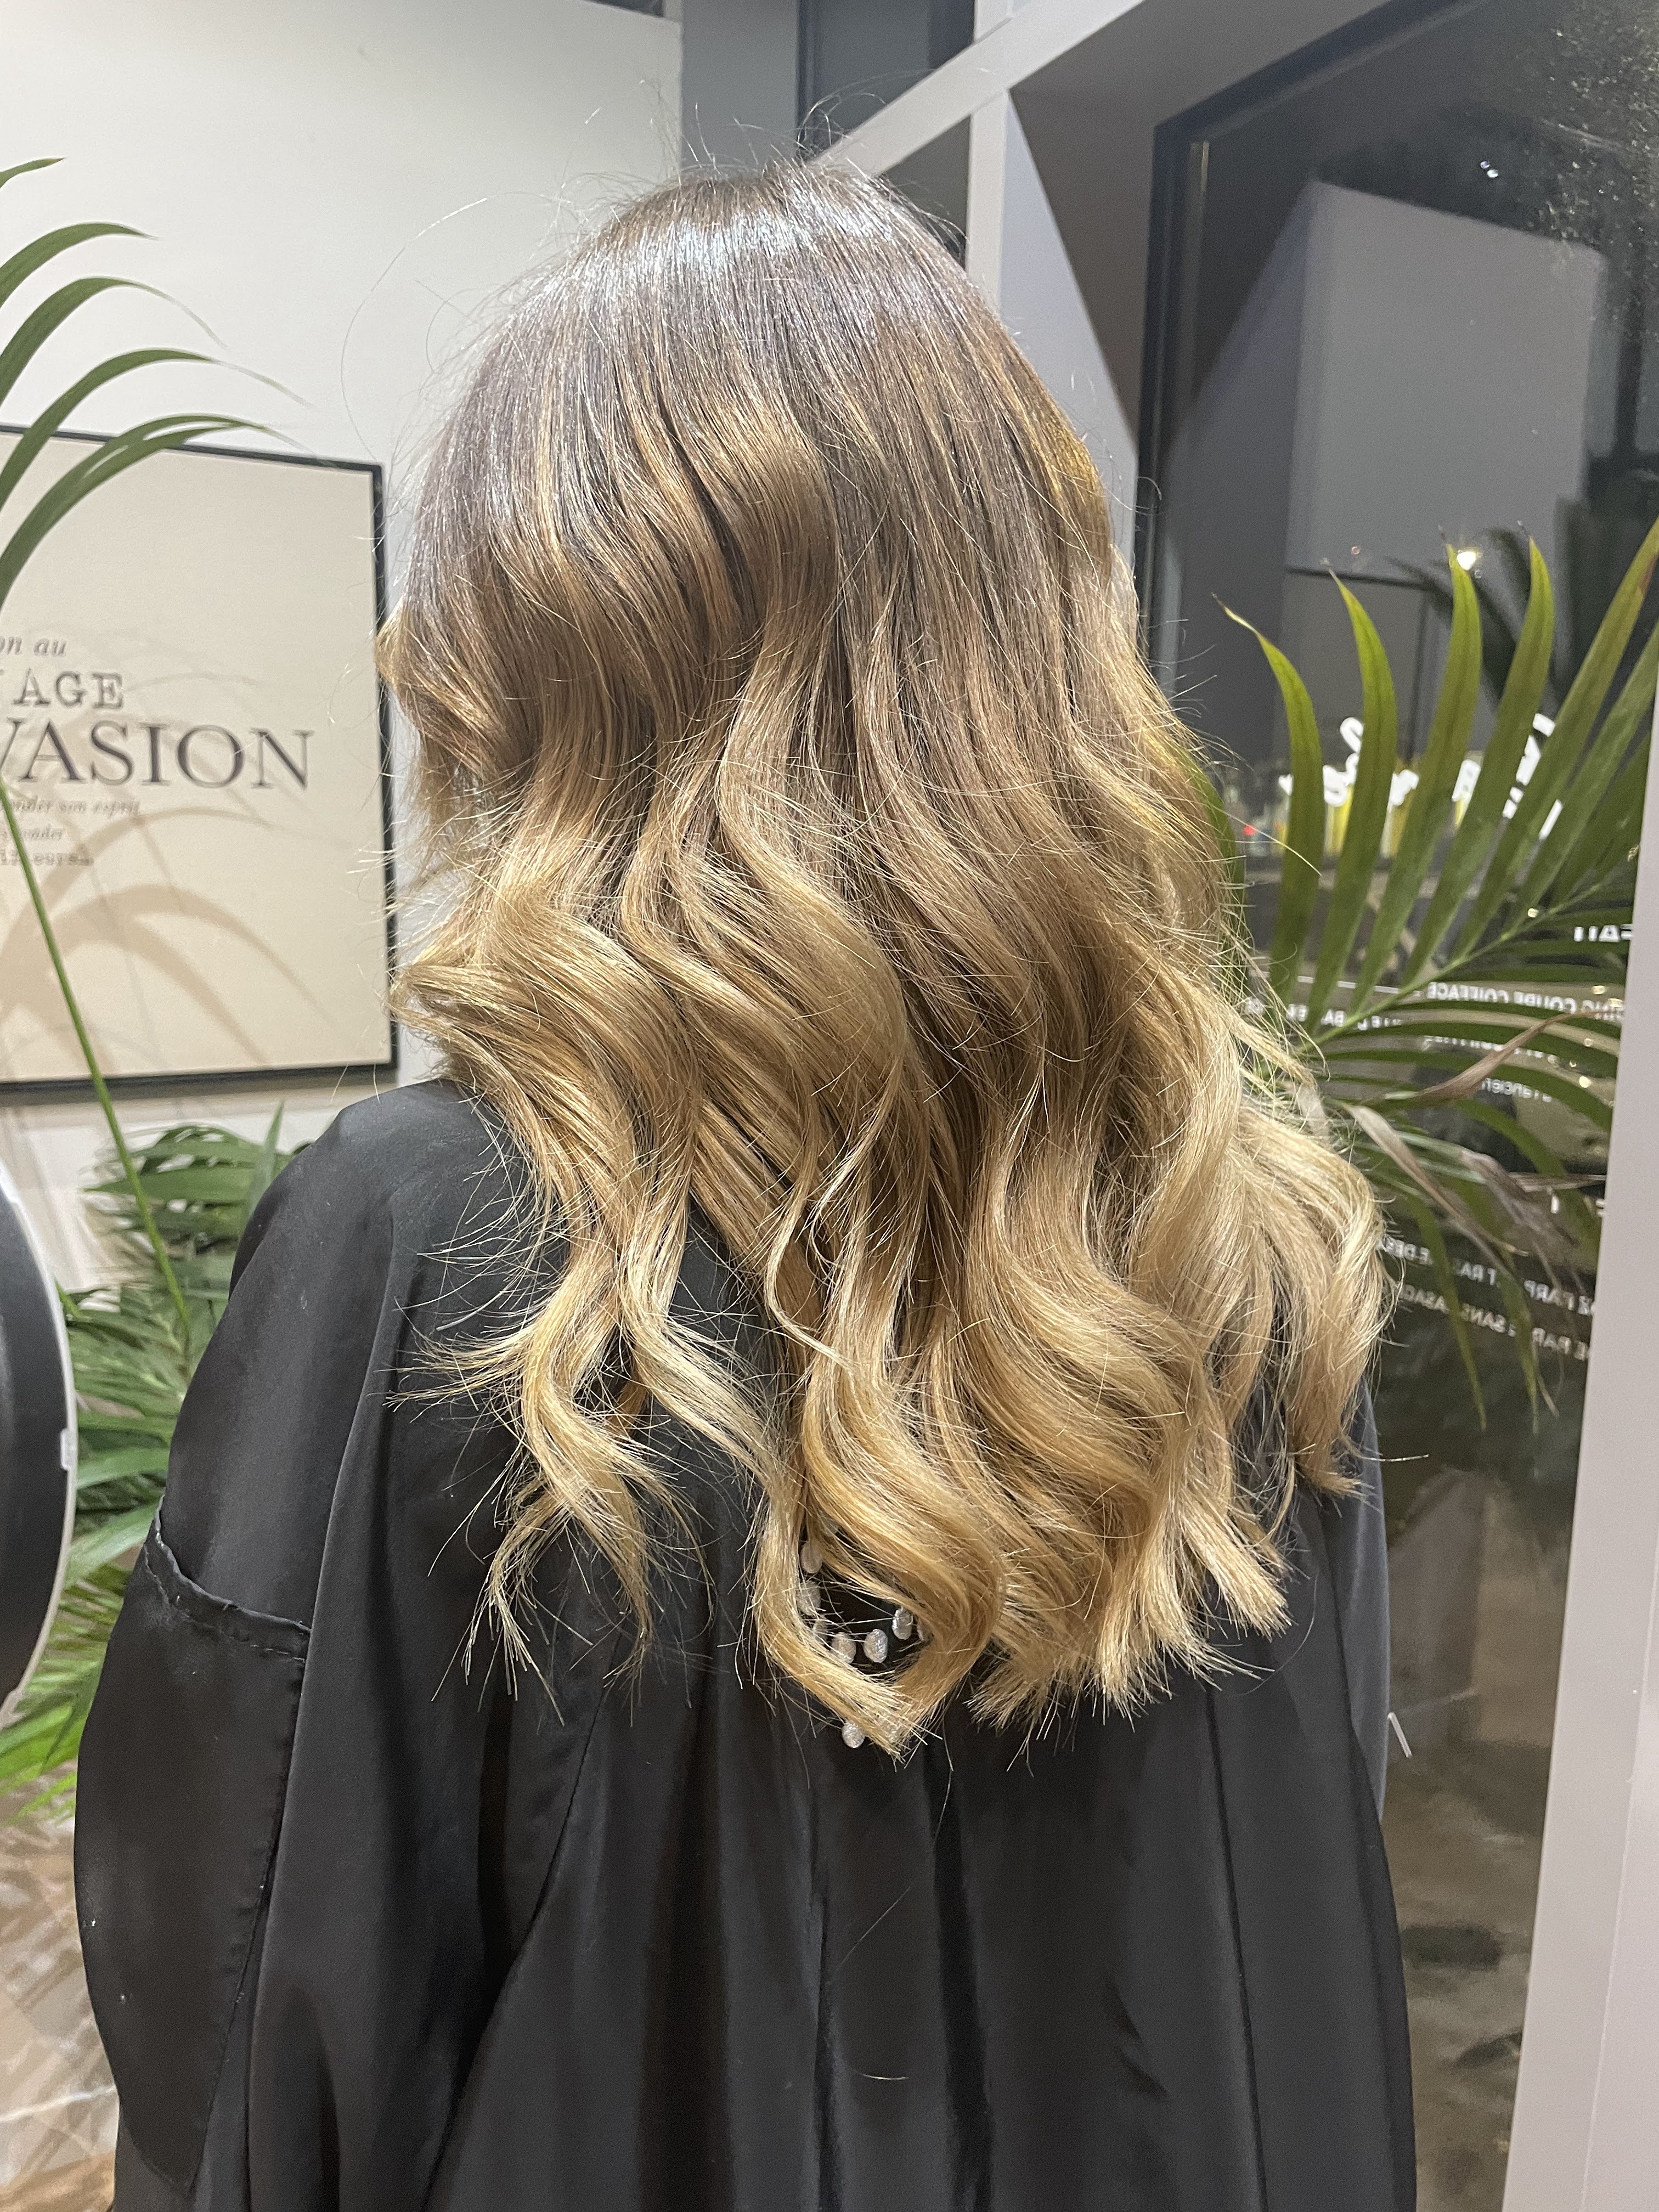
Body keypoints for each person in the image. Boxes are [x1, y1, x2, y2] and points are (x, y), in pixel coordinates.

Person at [76, 164, 1412, 2212]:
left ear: (543, 659)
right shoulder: (1244, 1254)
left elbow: (253, 2010)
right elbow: (1297, 1952)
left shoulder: (451, 1249)